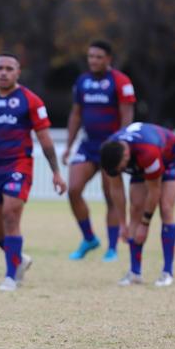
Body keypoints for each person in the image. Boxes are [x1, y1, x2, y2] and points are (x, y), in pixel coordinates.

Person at [0, 53, 67, 292]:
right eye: (0, 68)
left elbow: (45, 139)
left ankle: (11, 276)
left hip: (18, 167)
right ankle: (19, 260)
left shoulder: (30, 100)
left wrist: (56, 172)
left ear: (18, 72)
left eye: (9, 68)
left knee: (10, 216)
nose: (4, 72)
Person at [63, 40, 136, 262]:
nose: (93, 60)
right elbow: (76, 114)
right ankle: (89, 238)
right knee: (73, 190)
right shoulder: (82, 81)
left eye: (98, 57)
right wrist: (69, 145)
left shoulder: (121, 82)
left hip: (110, 147)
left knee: (110, 195)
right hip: (88, 145)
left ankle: (112, 247)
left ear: (108, 59)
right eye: (90, 56)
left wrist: (121, 145)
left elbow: (127, 114)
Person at [99, 122, 175, 287]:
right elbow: (116, 189)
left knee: (165, 208)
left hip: (170, 156)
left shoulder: (147, 151)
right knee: (136, 207)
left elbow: (154, 190)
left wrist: (145, 225)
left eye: (121, 168)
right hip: (139, 160)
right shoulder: (110, 152)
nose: (120, 172)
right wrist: (123, 224)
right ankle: (135, 273)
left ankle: (167, 272)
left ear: (125, 157)